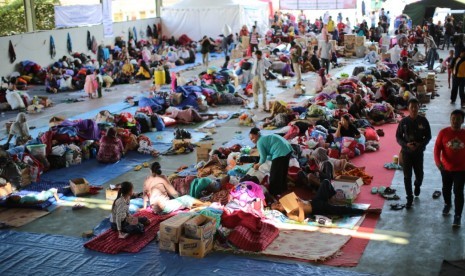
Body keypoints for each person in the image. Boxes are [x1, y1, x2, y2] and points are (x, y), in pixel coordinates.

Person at [396, 98, 432, 208]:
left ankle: (417, 184)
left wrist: (420, 144)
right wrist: (406, 144)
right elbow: (398, 137)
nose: (414, 109)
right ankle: (409, 197)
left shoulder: (423, 121)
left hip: (418, 152)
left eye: (416, 107)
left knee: (419, 174)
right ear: (408, 108)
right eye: (411, 107)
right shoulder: (404, 122)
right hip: (406, 152)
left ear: (418, 108)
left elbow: (428, 136)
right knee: (407, 176)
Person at [434, 109, 465, 227]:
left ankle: (457, 216)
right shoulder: (443, 133)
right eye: (453, 119)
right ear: (450, 119)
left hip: (461, 170)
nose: (455, 121)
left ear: (462, 121)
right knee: (446, 189)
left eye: (458, 119)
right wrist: (438, 162)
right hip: (446, 168)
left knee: (458, 192)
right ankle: (447, 204)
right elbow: (437, 149)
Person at [143, 162, 209, 213]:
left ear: (151, 170)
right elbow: (174, 194)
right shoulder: (162, 177)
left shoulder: (147, 179)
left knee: (183, 199)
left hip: (154, 208)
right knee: (187, 199)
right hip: (164, 207)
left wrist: (144, 207)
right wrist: (182, 198)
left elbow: (145, 197)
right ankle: (206, 205)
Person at [249, 127, 293, 198]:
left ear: (257, 135)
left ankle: (274, 194)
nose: (252, 140)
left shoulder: (259, 142)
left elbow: (263, 158)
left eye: (253, 138)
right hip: (288, 149)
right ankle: (283, 188)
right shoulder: (264, 138)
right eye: (251, 139)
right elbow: (268, 154)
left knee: (274, 175)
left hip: (280, 151)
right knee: (283, 171)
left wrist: (258, 165)